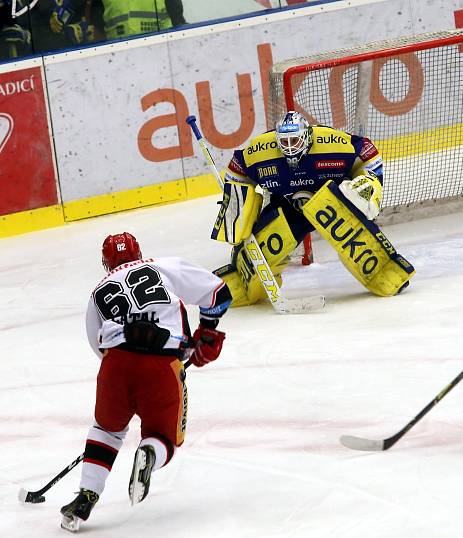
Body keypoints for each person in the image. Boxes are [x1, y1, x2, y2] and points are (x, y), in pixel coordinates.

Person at [60, 232, 232, 532]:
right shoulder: (162, 266)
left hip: (115, 365)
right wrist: (207, 332)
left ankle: (85, 497)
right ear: (139, 253)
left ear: (106, 262)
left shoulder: (98, 292)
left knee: (106, 430)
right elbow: (218, 293)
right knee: (163, 437)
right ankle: (149, 454)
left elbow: (98, 346)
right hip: (160, 363)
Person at [212, 111, 414, 306]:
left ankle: (385, 270)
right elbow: (237, 167)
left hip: (333, 202)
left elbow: (367, 151)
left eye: (295, 141)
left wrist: (368, 181)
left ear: (307, 136)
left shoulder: (331, 143)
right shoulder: (260, 152)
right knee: (266, 248)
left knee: (355, 238)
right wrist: (237, 201)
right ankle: (240, 281)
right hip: (289, 207)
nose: (289, 147)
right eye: (284, 141)